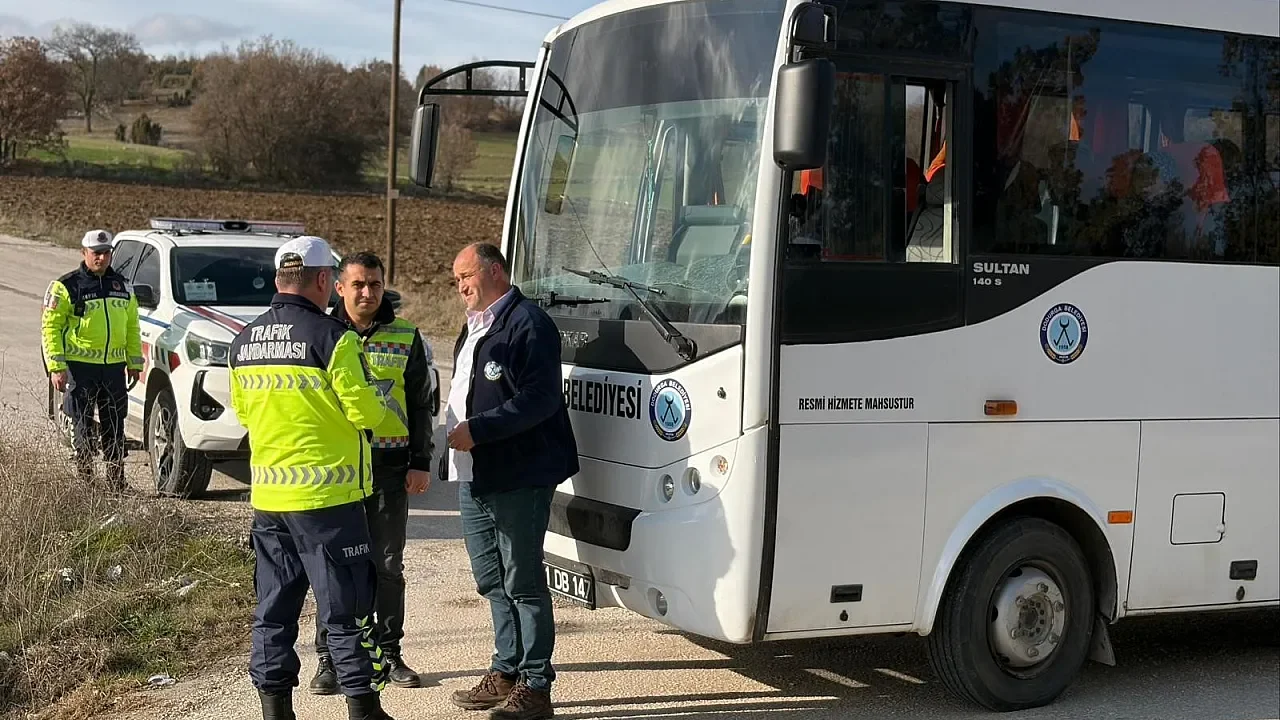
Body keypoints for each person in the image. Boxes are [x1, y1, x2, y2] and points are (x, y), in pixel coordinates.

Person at [227, 236, 396, 720]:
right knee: (346, 611)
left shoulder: (244, 339)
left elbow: (242, 411)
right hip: (328, 500)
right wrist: (382, 404)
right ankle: (364, 710)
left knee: (273, 612)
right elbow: (366, 412)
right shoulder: (332, 338)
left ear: (280, 278)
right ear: (324, 280)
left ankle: (276, 710)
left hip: (270, 500)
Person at [444, 242, 579, 720]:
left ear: (495, 271)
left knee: (522, 580)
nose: (460, 286)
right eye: (456, 279)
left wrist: (478, 430)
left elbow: (541, 399)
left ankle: (536, 686)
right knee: (490, 580)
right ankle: (505, 671)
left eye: (466, 276)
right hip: (475, 476)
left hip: (519, 474)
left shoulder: (529, 324)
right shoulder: (475, 324)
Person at [310, 251, 436, 694]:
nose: (367, 293)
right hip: (337, 469)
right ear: (339, 287)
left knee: (386, 565)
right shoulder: (322, 333)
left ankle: (388, 653)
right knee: (335, 569)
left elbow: (422, 403)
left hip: (388, 467)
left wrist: (421, 461)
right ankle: (330, 659)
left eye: (375, 285)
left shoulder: (406, 335)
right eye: (358, 284)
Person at [41, 229, 143, 490]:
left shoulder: (122, 285)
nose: (101, 258)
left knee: (115, 425)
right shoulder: (66, 286)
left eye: (106, 253)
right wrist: (56, 366)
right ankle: (86, 480)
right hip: (80, 368)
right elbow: (51, 328)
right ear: (83, 253)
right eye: (96, 253)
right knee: (82, 424)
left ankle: (115, 481)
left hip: (113, 369)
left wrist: (134, 362)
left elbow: (132, 326)